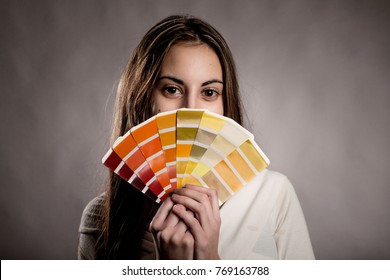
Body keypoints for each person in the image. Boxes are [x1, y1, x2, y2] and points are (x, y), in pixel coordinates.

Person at [78, 14, 315, 260]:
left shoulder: (273, 195)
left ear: (226, 103)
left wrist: (208, 262)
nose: (191, 109)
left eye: (209, 92)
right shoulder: (101, 218)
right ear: (142, 99)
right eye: (172, 89)